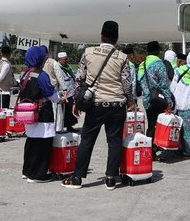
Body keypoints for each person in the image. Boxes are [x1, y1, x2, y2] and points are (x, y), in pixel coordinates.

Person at [61, 21, 134, 190]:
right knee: (114, 141)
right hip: (117, 105)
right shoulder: (122, 57)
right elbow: (127, 84)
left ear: (101, 36)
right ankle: (110, 178)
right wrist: (130, 101)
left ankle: (77, 178)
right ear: (116, 39)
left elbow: (79, 79)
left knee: (87, 139)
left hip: (95, 105)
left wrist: (77, 102)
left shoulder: (88, 53)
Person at [21, 46, 65, 183]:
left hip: (28, 113)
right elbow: (50, 94)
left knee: (31, 142)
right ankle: (38, 174)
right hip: (42, 112)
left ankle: (27, 171)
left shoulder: (25, 74)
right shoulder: (41, 75)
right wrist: (60, 99)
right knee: (43, 142)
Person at [138, 41, 174, 160]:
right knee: (156, 126)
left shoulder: (142, 64)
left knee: (151, 124)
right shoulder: (159, 64)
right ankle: (152, 151)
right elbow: (164, 84)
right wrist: (169, 101)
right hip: (157, 99)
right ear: (159, 52)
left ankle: (149, 150)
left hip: (147, 99)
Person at [56, 51, 79, 132]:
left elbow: (73, 77)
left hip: (70, 91)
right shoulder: (57, 67)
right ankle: (61, 127)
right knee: (62, 112)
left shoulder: (68, 67)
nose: (66, 61)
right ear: (60, 60)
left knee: (70, 111)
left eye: (67, 59)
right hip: (62, 93)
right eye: (65, 59)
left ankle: (70, 126)